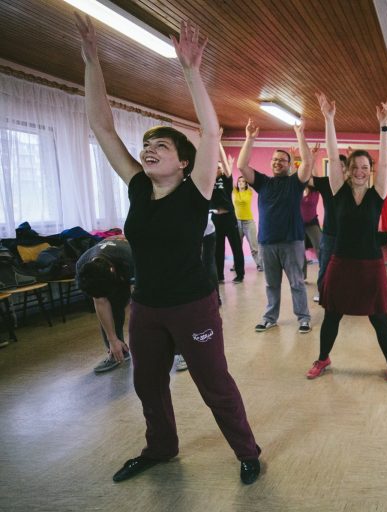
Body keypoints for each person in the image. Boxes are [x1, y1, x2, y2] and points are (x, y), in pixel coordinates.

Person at [76, 16, 262, 484]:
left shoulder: (195, 190)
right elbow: (102, 127)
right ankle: (160, 448)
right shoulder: (139, 187)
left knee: (214, 385)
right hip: (146, 306)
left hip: (193, 305)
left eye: (160, 145)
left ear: (183, 162)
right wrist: (92, 61)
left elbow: (211, 134)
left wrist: (190, 71)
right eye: (146, 145)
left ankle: (247, 452)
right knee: (147, 384)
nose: (148, 149)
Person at [306, 93, 387, 384]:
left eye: (365, 168)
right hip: (341, 262)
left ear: (370, 172)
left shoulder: (377, 194)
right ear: (347, 170)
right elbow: (333, 155)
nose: (359, 171)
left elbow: (386, 164)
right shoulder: (338, 191)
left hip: (371, 265)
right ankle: (323, 358)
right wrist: (329, 119)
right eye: (355, 167)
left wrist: (384, 126)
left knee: (379, 318)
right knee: (332, 315)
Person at [237, 119, 313, 334]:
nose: (277, 162)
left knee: (297, 283)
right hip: (267, 242)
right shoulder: (263, 182)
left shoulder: (295, 183)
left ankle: (304, 318)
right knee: (271, 285)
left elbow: (307, 164)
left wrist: (300, 135)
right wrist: (249, 139)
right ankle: (270, 317)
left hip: (292, 241)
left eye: (282, 160)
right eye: (275, 159)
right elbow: (242, 166)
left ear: (289, 164)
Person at [76, 236, 133, 374]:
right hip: (115, 264)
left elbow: (138, 303)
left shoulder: (131, 257)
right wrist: (112, 339)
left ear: (112, 271)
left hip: (134, 258)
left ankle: (178, 350)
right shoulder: (83, 265)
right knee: (111, 308)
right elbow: (100, 302)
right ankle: (118, 351)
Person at [311, 153, 348, 302]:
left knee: (347, 266)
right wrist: (311, 159)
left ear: (346, 168)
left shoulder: (351, 185)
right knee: (325, 265)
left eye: (341, 165)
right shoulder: (326, 182)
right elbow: (307, 178)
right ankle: (322, 292)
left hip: (347, 236)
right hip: (329, 235)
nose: (338, 168)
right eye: (334, 165)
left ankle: (344, 293)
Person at [211, 148, 245, 283]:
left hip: (229, 218)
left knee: (236, 247)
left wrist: (218, 144)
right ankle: (219, 276)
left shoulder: (226, 180)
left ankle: (240, 274)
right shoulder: (209, 181)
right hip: (215, 218)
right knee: (218, 249)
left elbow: (225, 165)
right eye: (216, 167)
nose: (218, 169)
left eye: (220, 168)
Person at [232, 175, 263, 271]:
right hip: (237, 223)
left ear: (246, 184)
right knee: (237, 247)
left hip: (248, 223)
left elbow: (250, 180)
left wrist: (245, 173)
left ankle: (260, 265)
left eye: (243, 181)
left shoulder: (249, 191)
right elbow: (229, 179)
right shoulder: (235, 191)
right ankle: (236, 265)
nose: (241, 183)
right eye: (239, 181)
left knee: (254, 247)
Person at [301, 183, 322, 281]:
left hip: (312, 222)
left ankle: (325, 273)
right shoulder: (297, 188)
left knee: (320, 248)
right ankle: (302, 276)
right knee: (300, 251)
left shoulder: (315, 189)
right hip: (299, 224)